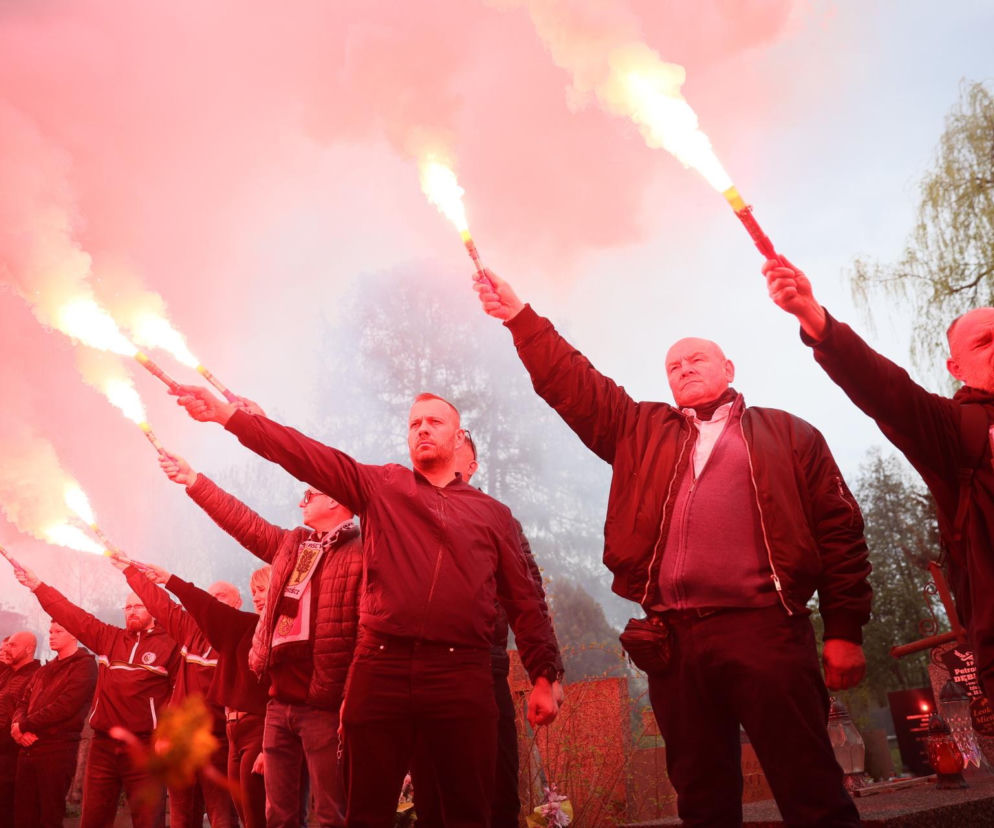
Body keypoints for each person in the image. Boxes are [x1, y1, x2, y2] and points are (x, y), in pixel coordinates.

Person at [473, 270, 872, 826]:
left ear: (729, 369)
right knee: (702, 798)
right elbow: (573, 381)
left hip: (766, 631)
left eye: (696, 360)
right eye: (673, 366)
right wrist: (520, 317)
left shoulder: (789, 434)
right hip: (674, 641)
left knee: (811, 788)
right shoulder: (640, 430)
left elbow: (841, 532)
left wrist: (846, 629)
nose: (683, 369)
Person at [171, 387, 562, 827]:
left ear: (459, 438)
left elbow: (525, 597)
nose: (423, 429)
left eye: (435, 421)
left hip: (459, 673)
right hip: (382, 667)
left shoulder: (493, 515)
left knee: (467, 810)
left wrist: (544, 672)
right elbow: (309, 456)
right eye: (414, 423)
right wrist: (230, 418)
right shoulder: (384, 485)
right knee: (365, 811)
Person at [765, 257, 994, 704]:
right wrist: (815, 317)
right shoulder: (955, 431)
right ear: (956, 368)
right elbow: (886, 390)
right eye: (986, 342)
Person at [158, 449, 362, 828]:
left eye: (309, 495)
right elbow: (245, 523)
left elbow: (366, 631)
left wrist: (351, 695)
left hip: (324, 703)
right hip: (278, 702)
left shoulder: (361, 553)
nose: (301, 501)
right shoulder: (296, 547)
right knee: (277, 815)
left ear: (334, 499)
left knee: (331, 812)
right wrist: (195, 482)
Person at [13, 566, 180, 828]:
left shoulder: (169, 645)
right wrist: (37, 586)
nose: (133, 611)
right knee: (93, 819)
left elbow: (180, 693)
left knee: (148, 820)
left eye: (139, 605)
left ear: (153, 610)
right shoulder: (109, 638)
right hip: (103, 745)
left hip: (145, 747)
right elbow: (72, 614)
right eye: (128, 607)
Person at [125, 559, 271, 828]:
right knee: (181, 817)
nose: (213, 601)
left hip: (221, 741)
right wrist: (130, 572)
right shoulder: (191, 630)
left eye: (221, 596)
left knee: (224, 816)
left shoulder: (246, 635)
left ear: (237, 603)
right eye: (210, 596)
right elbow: (162, 605)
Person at [11, 621, 97, 828]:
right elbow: (23, 701)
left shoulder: (84, 666)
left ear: (74, 635)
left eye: (59, 631)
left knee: (49, 817)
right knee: (22, 817)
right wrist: (17, 728)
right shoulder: (45, 669)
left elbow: (65, 706)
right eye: (50, 631)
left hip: (57, 750)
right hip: (28, 749)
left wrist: (24, 725)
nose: (52, 635)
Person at [0, 631, 40, 828]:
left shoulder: (35, 676)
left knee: (8, 811)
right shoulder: (8, 672)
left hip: (13, 756)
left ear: (28, 649)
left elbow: (23, 713)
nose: (6, 648)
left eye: (12, 645)